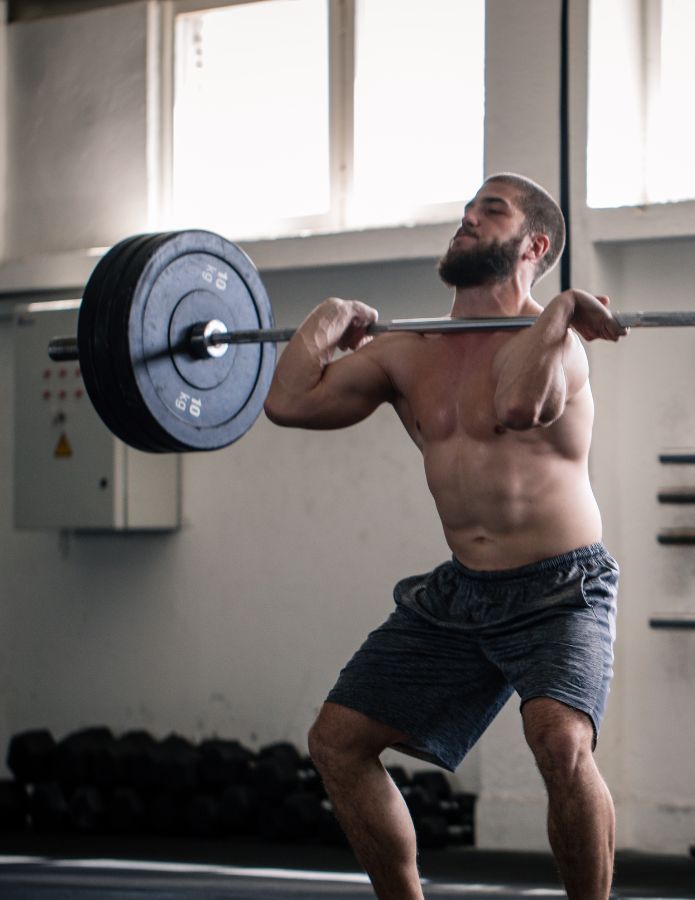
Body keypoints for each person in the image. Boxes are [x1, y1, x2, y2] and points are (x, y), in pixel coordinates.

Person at [263, 173, 627, 900]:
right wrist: (327, 319)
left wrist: (556, 313)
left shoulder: (564, 340)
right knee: (337, 743)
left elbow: (519, 404)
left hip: (562, 587)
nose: (465, 220)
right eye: (465, 211)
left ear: (535, 244)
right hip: (462, 593)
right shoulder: (410, 351)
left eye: (488, 212)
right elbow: (288, 402)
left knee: (560, 743)